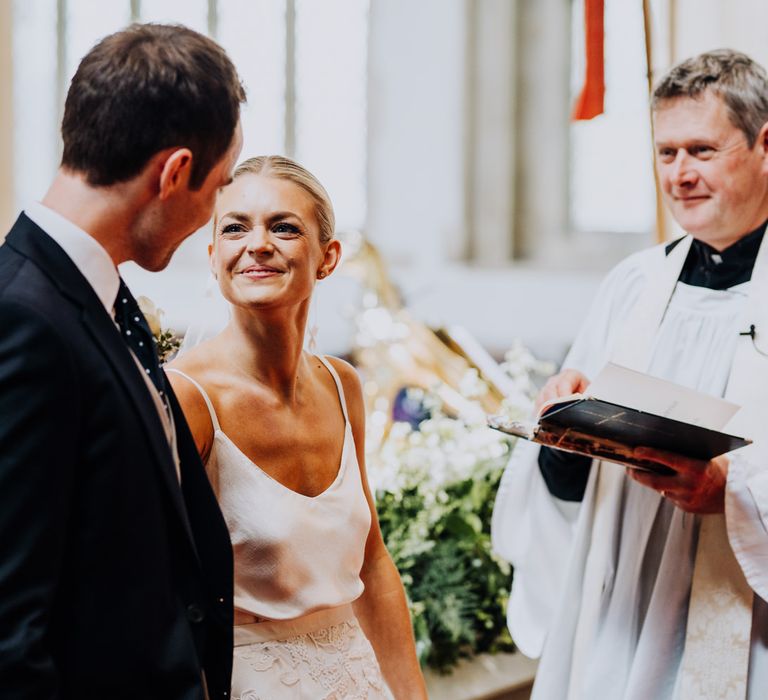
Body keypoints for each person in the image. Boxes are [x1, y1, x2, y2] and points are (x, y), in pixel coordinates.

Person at [491, 49, 768, 699]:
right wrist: (563, 436)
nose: (680, 175)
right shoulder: (633, 285)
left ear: (764, 146)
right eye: (666, 153)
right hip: (622, 617)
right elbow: (567, 496)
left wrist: (731, 494)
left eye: (701, 150)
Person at [0, 24, 244, 699]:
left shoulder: (92, 295)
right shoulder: (24, 318)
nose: (211, 215)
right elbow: (9, 624)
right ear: (174, 173)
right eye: (217, 186)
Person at [167, 155, 427, 699]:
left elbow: (372, 561)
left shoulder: (342, 384)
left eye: (283, 227)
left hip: (358, 679)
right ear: (214, 257)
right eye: (235, 227)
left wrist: (410, 694)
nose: (257, 244)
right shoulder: (186, 398)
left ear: (328, 257)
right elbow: (153, 588)